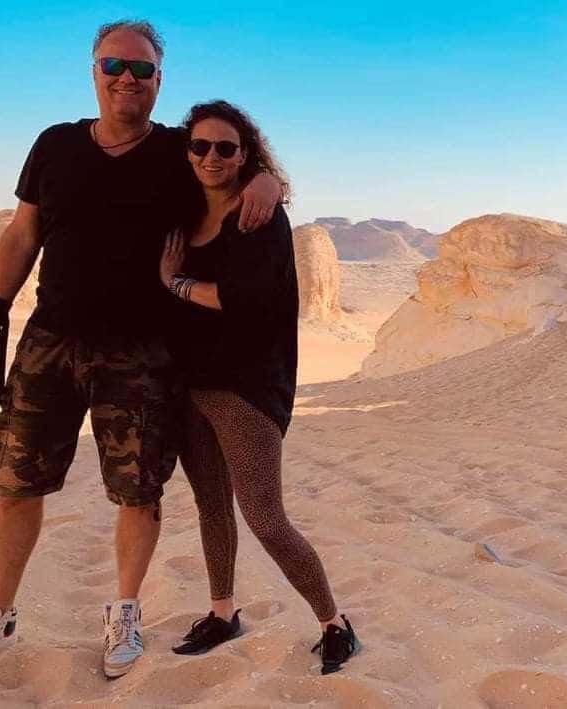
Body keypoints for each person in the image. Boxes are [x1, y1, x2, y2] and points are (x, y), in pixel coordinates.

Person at [0, 20, 282, 685]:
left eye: (142, 69)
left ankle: (125, 613)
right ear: (93, 71)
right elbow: (22, 234)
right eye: (114, 65)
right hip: (50, 341)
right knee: (16, 484)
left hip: (142, 350)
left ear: (159, 80)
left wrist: (267, 182)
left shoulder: (180, 149)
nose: (128, 78)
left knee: (138, 489)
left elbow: (238, 165)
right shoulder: (55, 144)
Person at [158, 100, 359, 674]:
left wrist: (175, 283)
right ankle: (223, 613)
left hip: (244, 387)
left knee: (265, 517)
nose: (211, 156)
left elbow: (246, 301)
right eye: (200, 146)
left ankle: (334, 622)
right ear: (187, 151)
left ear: (245, 153)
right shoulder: (182, 207)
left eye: (226, 147)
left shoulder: (257, 214)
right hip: (188, 383)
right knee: (211, 506)